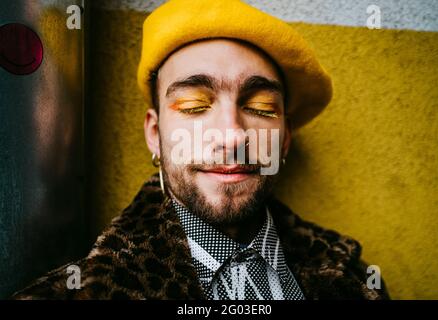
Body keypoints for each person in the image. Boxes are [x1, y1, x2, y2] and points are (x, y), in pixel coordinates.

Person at [12, 0, 389, 300]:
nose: (231, 137)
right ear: (155, 135)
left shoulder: (355, 278)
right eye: (194, 106)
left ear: (285, 138)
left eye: (261, 108)